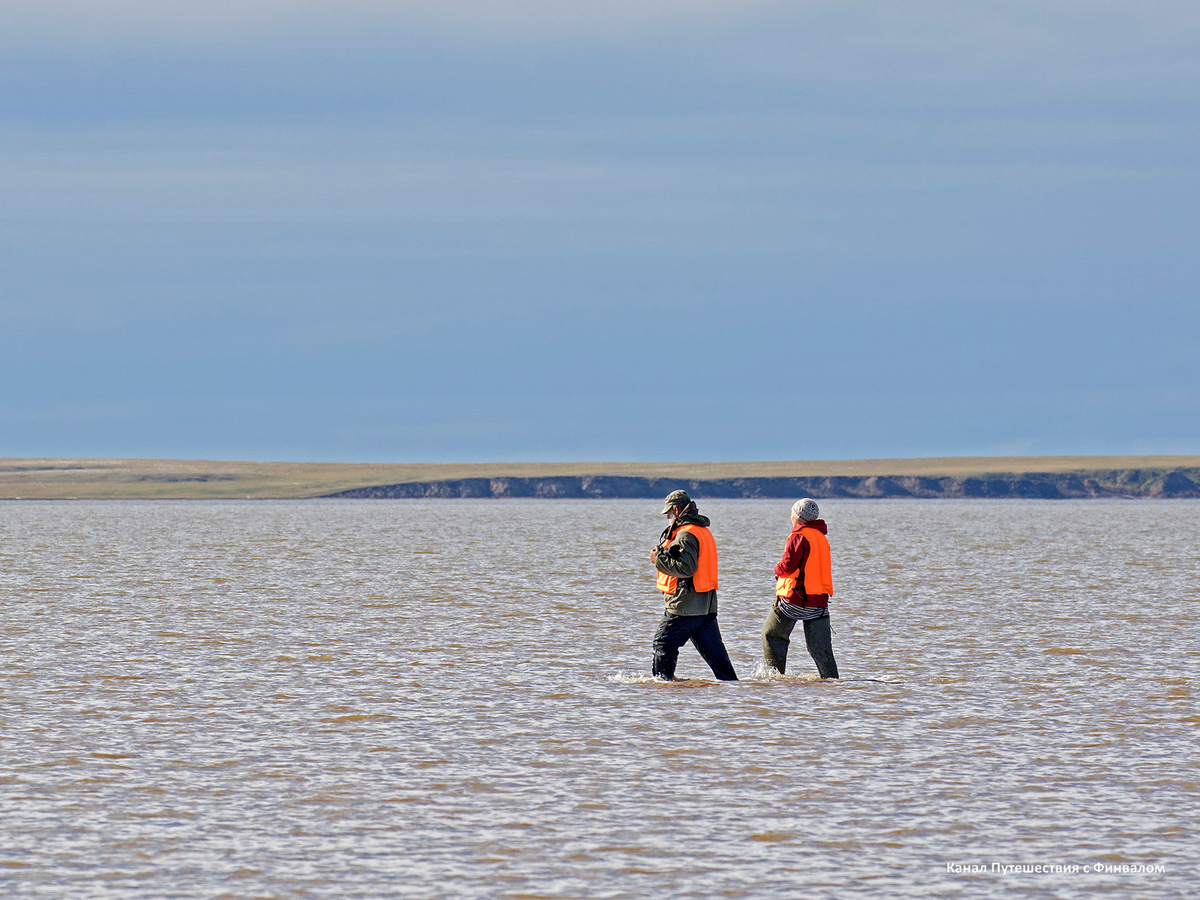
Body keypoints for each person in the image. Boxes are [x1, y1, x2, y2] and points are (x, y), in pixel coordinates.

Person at [649, 490, 738, 681]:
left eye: (668, 513)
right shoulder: (701, 530)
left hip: (685, 606)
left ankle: (661, 687)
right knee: (718, 662)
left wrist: (658, 558)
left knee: (663, 643)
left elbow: (686, 568)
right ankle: (736, 695)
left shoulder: (686, 535)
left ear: (676, 509)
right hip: (705, 606)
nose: (667, 517)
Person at [761, 498, 840, 679]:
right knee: (821, 650)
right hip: (819, 603)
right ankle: (832, 684)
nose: (790, 516)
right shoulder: (820, 537)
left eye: (792, 513)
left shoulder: (799, 536)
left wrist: (776, 569)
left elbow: (788, 566)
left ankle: (774, 679)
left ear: (798, 517)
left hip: (796, 599)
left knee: (772, 635)